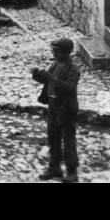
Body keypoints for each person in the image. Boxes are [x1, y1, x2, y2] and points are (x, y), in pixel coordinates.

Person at [32, 37, 80, 182]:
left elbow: (71, 88)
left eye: (56, 51)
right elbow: (45, 79)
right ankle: (55, 167)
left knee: (68, 141)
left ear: (65, 52)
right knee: (52, 138)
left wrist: (51, 78)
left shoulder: (73, 69)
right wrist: (37, 75)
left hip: (66, 109)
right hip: (53, 106)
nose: (53, 53)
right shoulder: (55, 64)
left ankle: (72, 172)